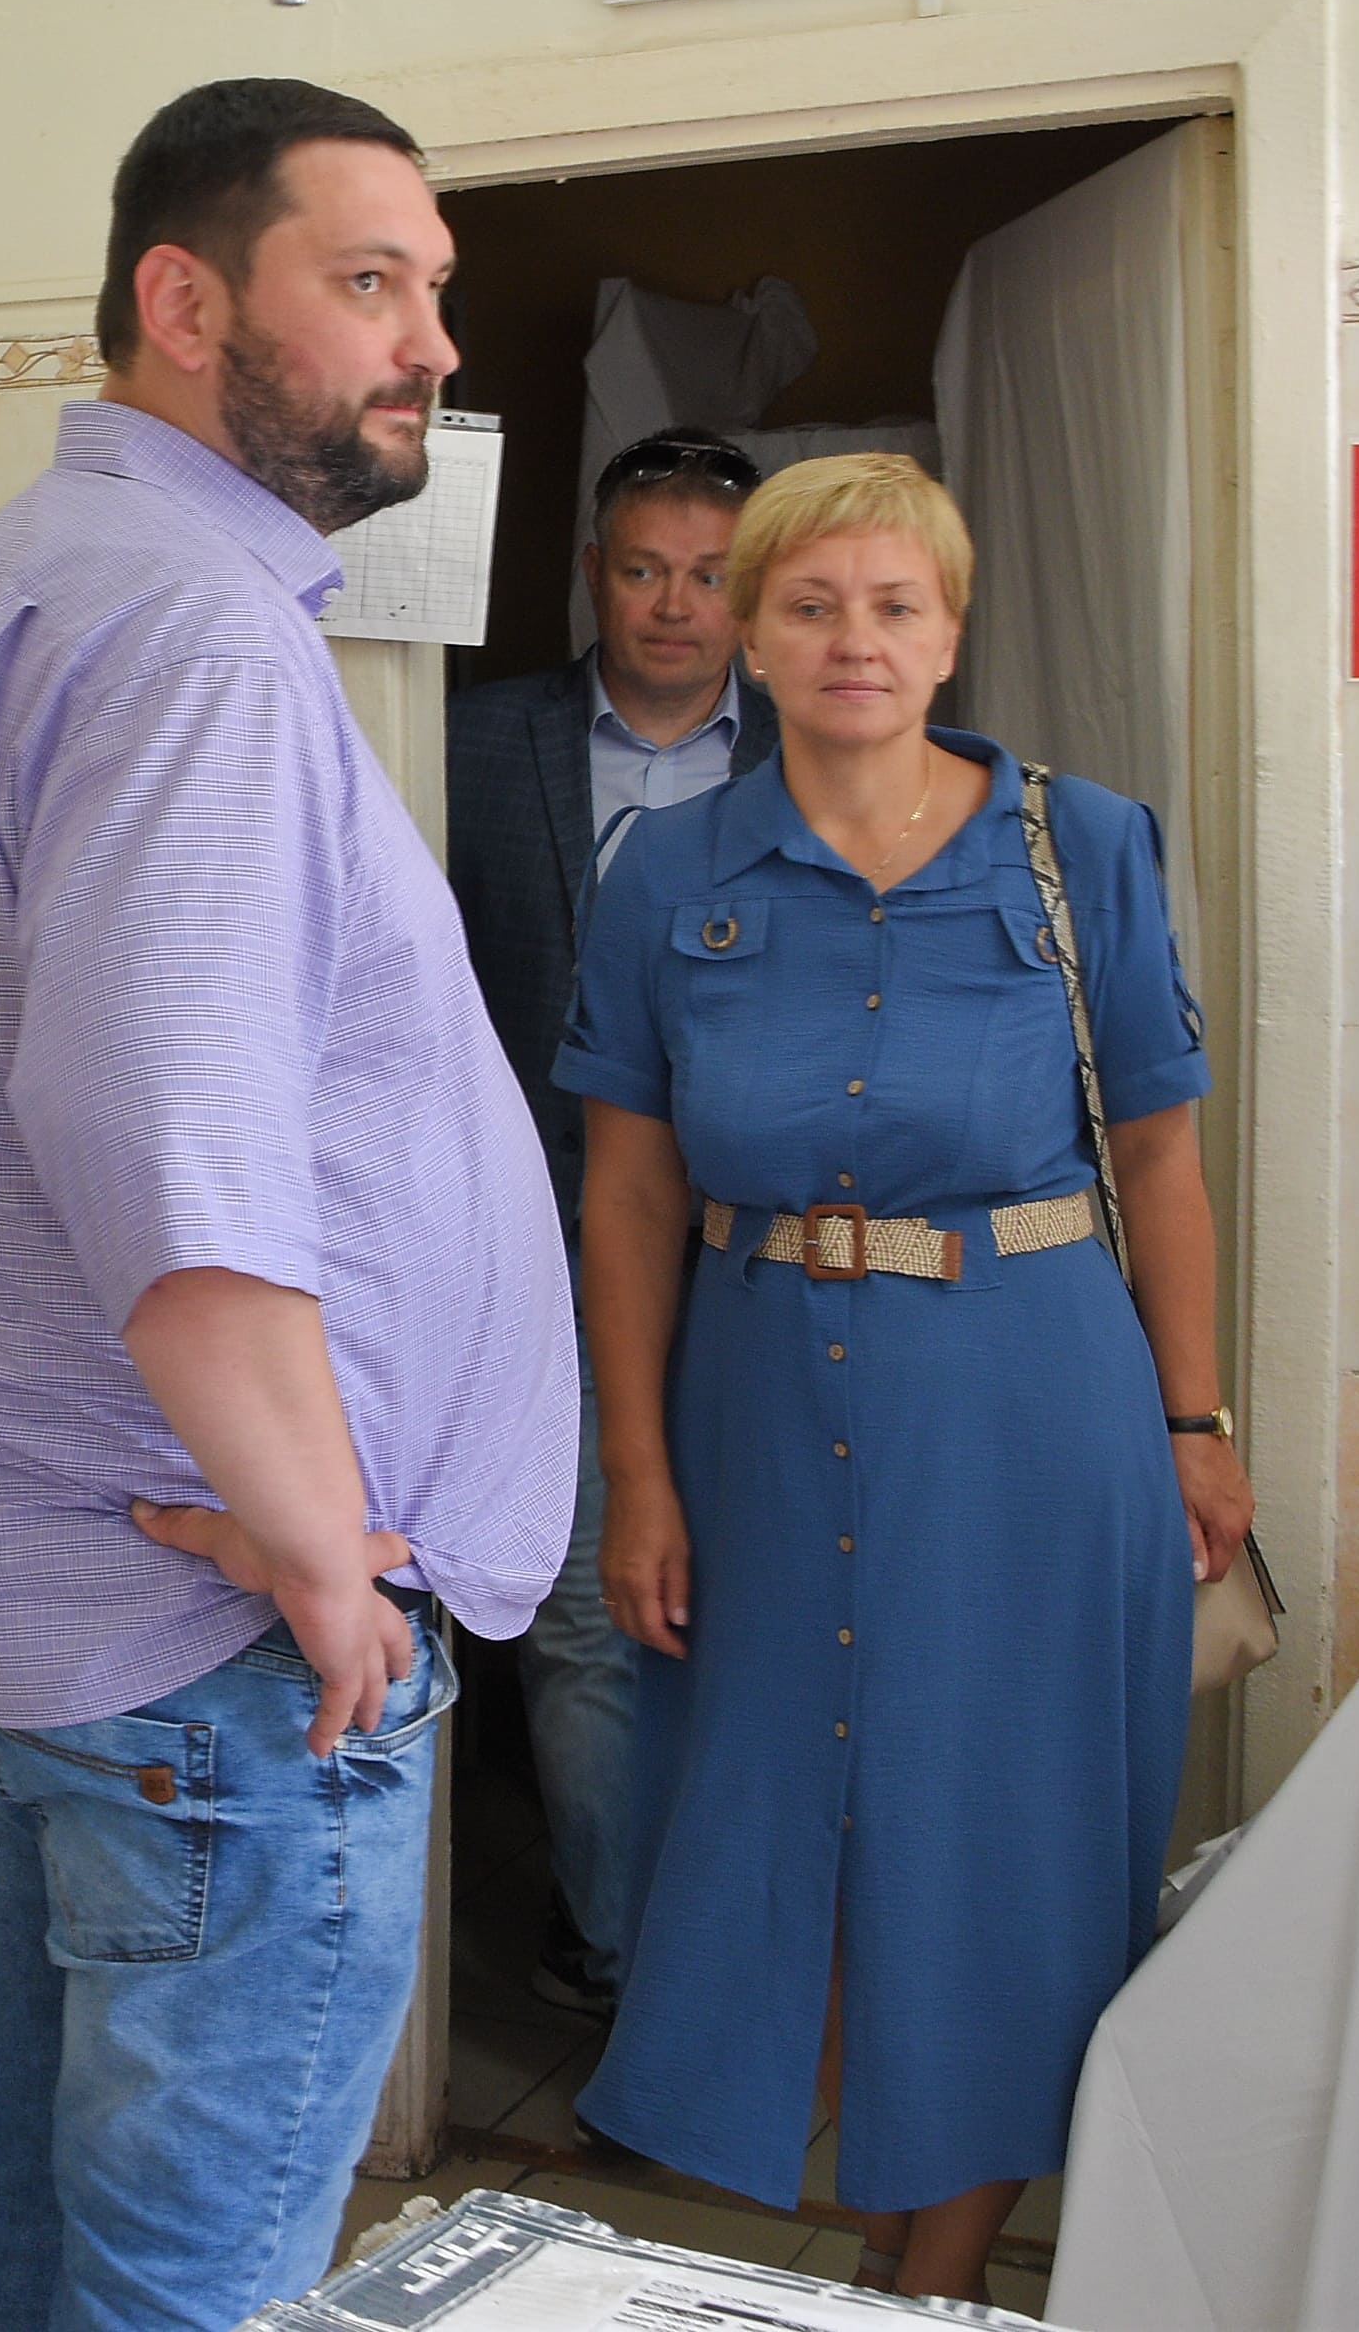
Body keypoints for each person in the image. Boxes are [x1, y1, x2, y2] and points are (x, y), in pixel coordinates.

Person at [0, 77, 576, 2332]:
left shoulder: (58, 572)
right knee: (194, 2294)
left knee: (49, 2242)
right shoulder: (186, 631)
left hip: (84, 1599)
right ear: (182, 303)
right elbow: (166, 1146)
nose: (431, 344)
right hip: (220, 1643)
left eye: (432, 288)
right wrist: (326, 1553)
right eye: (367, 283)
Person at [552, 453, 1250, 2303]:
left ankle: (924, 2281)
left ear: (950, 634)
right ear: (751, 634)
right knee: (789, 1821)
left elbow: (1160, 1159)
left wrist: (1193, 1422)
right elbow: (629, 1193)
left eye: (894, 606)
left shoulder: (1082, 847)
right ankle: (874, 2241)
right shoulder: (669, 870)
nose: (853, 640)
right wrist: (639, 1472)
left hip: (1032, 1410)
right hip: (758, 1412)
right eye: (810, 606)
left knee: (1006, 1840)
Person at [443, 426, 773, 2017]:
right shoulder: (463, 740)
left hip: (767, 1256)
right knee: (580, 1608)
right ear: (593, 576)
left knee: (761, 1601)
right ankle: (629, 1967)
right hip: (537, 1250)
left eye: (709, 576)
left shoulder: (823, 750)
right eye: (644, 570)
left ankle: (755, 1949)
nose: (674, 606)